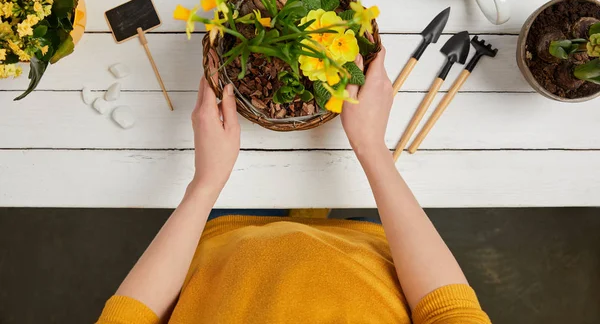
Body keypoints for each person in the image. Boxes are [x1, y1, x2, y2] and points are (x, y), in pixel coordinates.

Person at [96, 45, 491, 324]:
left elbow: (133, 314)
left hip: (224, 245)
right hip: (367, 250)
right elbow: (446, 309)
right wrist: (372, 148)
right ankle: (310, 213)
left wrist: (204, 185)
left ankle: (303, 212)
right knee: (336, 214)